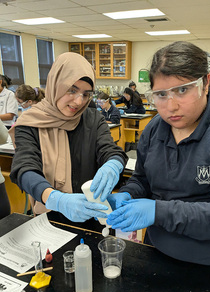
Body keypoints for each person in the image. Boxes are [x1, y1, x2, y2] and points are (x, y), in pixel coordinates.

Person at [104, 41, 210, 271]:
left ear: (205, 82)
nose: (171, 106)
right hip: (158, 253)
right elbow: (143, 179)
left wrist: (158, 211)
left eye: (182, 90)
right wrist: (128, 194)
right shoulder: (155, 128)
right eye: (161, 94)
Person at [9, 52, 126, 225]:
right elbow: (25, 169)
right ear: (56, 84)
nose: (79, 101)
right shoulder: (30, 123)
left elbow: (110, 150)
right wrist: (58, 200)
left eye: (86, 94)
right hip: (50, 218)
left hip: (91, 215)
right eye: (72, 90)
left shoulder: (93, 119)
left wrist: (113, 164)